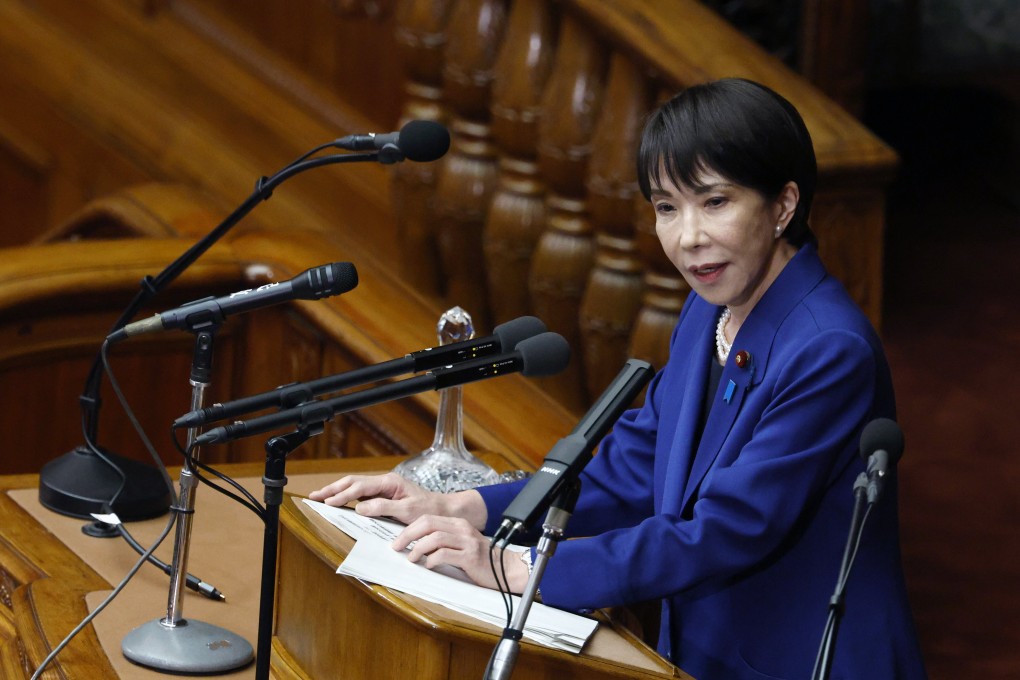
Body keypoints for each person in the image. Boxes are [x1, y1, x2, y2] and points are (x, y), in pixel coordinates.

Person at [310, 78, 927, 679]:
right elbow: (631, 472)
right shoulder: (709, 308)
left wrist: (525, 569)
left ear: (783, 205)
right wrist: (465, 507)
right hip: (702, 650)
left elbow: (728, 529)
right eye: (666, 207)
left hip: (801, 662)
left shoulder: (829, 350)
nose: (688, 237)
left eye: (715, 202)